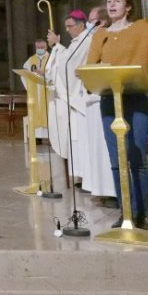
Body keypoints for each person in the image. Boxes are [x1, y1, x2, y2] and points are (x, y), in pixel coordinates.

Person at [87, 0, 148, 229]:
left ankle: (140, 212)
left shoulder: (142, 28)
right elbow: (91, 66)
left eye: (117, 1)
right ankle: (125, 212)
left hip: (136, 99)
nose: (111, 4)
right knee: (116, 159)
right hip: (109, 100)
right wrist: (91, 75)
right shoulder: (100, 35)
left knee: (137, 157)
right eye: (109, 1)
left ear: (127, 8)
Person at [45, 11, 93, 179]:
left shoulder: (85, 41)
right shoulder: (77, 42)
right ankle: (80, 176)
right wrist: (57, 47)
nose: (67, 30)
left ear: (80, 25)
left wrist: (56, 45)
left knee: (79, 138)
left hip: (78, 98)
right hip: (75, 98)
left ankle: (84, 176)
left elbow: (68, 64)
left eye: (70, 26)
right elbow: (67, 59)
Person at [82, 7, 118, 204]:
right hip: (94, 98)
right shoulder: (94, 40)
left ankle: (114, 191)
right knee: (99, 149)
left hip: (107, 97)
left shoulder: (109, 39)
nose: (89, 24)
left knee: (108, 149)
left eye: (92, 20)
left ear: (102, 22)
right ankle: (104, 189)